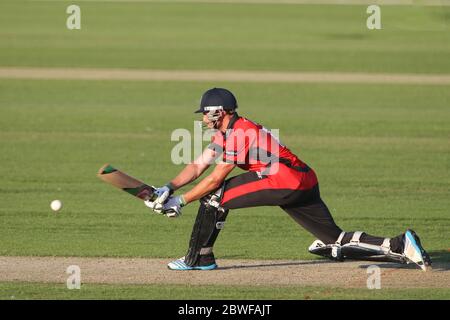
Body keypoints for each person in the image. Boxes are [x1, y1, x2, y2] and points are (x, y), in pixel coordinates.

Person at [145, 88, 432, 271]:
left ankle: (200, 258)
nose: (203, 119)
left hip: (282, 181)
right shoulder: (227, 132)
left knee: (214, 196)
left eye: (206, 114)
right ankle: (399, 245)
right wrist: (168, 188)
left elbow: (215, 177)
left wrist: (180, 201)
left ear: (219, 112)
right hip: (303, 180)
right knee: (333, 240)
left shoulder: (240, 132)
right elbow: (198, 166)